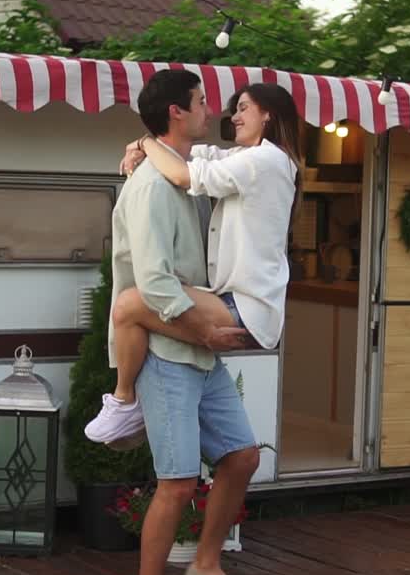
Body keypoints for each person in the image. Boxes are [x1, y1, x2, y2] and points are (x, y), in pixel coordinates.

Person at [108, 69, 264, 575]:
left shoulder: (189, 170)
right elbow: (153, 284)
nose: (210, 110)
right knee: (175, 482)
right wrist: (205, 331)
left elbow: (216, 156)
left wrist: (143, 141)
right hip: (169, 350)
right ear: (177, 110)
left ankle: (205, 566)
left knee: (242, 456)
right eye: (200, 102)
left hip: (200, 350)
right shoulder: (150, 186)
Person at [85, 83, 302, 445]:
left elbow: (186, 175)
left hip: (243, 306)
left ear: (269, 114)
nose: (233, 115)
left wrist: (145, 144)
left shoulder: (267, 161)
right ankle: (127, 402)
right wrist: (151, 145)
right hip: (238, 302)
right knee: (240, 457)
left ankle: (124, 400)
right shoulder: (249, 159)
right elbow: (195, 155)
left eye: (244, 108)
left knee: (126, 305)